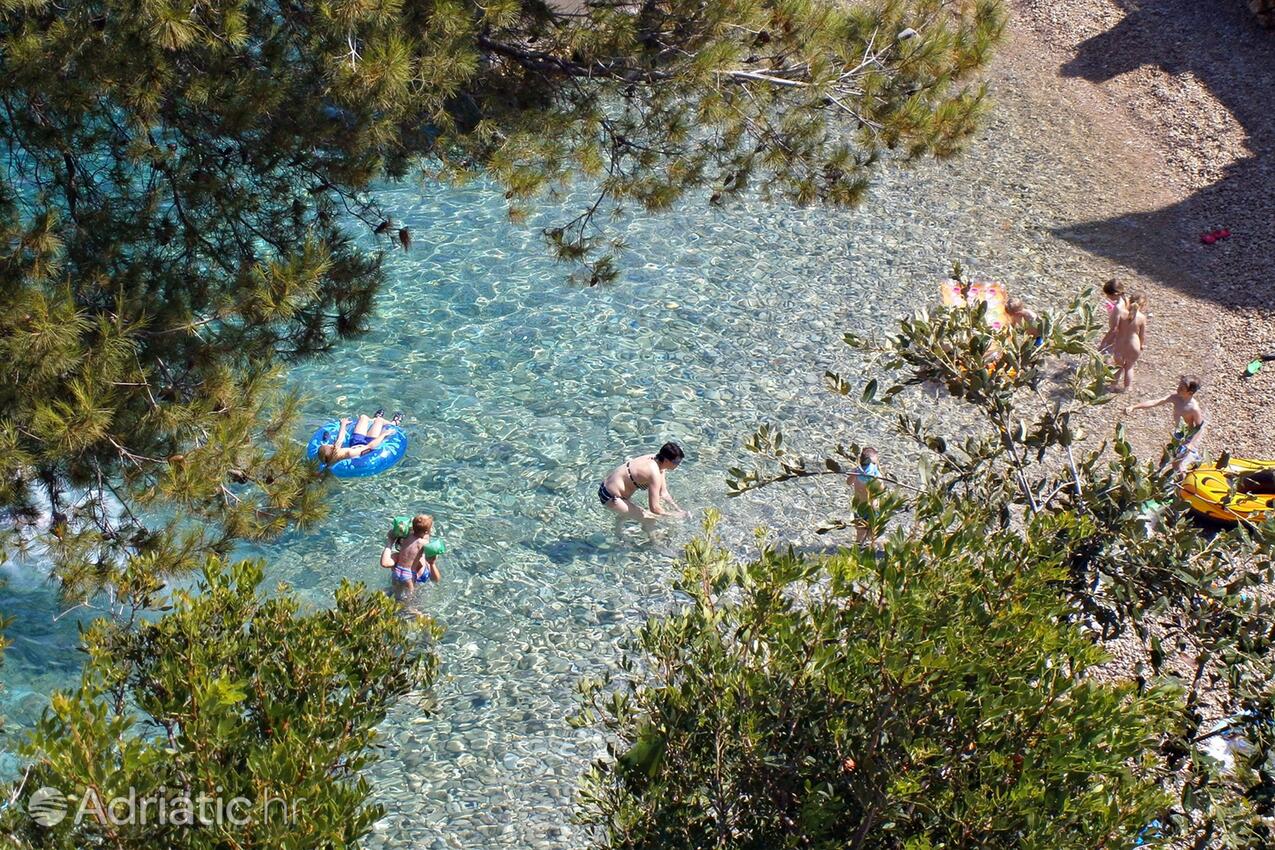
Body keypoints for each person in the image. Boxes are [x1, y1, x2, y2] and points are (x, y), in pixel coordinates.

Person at [599, 442, 689, 531]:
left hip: (608, 487)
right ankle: (654, 544)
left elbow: (663, 493)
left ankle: (618, 535)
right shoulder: (654, 473)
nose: (678, 464)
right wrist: (675, 516)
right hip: (610, 496)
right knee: (649, 519)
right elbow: (654, 509)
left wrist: (678, 510)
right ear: (666, 460)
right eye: (676, 462)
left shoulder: (657, 460)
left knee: (627, 515)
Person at [1125, 375, 1207, 472]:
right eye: (1179, 385)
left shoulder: (1194, 408)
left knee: (1177, 466)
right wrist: (1134, 407)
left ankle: (1184, 482)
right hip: (1178, 434)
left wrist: (1191, 444)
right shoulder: (1175, 397)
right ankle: (1192, 465)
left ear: (1190, 392)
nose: (1178, 389)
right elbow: (1156, 402)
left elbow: (1199, 427)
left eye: (1182, 388)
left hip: (1188, 438)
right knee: (1169, 462)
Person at [318, 409, 402, 465]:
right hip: (367, 444)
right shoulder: (350, 453)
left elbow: (340, 439)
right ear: (333, 450)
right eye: (330, 446)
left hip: (355, 443)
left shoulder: (336, 452)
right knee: (379, 421)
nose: (331, 444)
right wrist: (383, 434)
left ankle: (374, 420)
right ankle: (394, 423)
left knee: (363, 417)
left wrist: (343, 424)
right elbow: (370, 446)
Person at [381, 514, 440, 592]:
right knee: (410, 597)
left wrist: (432, 563)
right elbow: (385, 563)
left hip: (397, 572)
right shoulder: (423, 545)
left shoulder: (427, 561)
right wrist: (390, 542)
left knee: (393, 590)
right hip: (409, 575)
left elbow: (436, 580)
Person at [1108, 290, 1148, 393]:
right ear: (1143, 305)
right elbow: (1142, 335)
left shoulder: (1122, 313)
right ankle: (1127, 388)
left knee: (1118, 366)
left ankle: (1112, 386)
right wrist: (1142, 345)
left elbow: (1115, 327)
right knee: (1129, 367)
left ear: (1129, 301)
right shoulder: (1142, 318)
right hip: (1133, 345)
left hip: (1120, 344)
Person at [848, 447, 883, 546]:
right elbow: (881, 491)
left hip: (866, 509)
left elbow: (848, 482)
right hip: (867, 509)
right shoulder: (859, 472)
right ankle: (863, 547)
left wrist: (854, 473)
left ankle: (863, 547)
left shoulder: (859, 472)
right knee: (865, 533)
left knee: (866, 533)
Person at [1098, 279, 1127, 352]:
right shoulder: (1126, 300)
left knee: (1105, 353)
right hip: (1122, 334)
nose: (1107, 296)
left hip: (1115, 336)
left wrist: (1103, 342)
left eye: (1108, 295)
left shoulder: (1118, 307)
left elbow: (1114, 328)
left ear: (1115, 294)